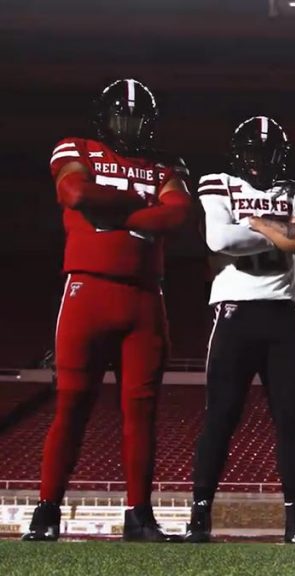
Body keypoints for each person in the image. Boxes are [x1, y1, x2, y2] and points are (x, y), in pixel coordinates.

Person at [24, 79, 190, 542]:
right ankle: (47, 509)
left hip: (144, 297)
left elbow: (176, 215)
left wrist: (113, 210)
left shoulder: (164, 166)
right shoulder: (75, 147)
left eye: (137, 119)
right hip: (87, 290)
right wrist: (142, 206)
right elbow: (75, 193)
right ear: (103, 118)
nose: (129, 126)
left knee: (142, 411)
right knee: (71, 404)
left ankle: (139, 516)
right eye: (122, 117)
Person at [184, 116, 295, 544]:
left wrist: (253, 225)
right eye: (251, 153)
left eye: (265, 154)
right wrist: (276, 230)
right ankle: (199, 518)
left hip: (283, 314)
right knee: (221, 418)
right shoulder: (217, 182)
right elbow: (218, 240)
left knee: (291, 421)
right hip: (234, 314)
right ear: (237, 153)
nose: (257, 162)